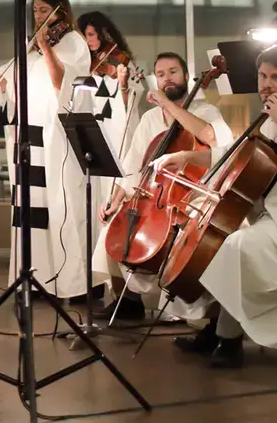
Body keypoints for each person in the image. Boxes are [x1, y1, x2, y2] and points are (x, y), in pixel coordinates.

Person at [158, 44, 277, 368]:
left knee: (234, 247)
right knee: (211, 243)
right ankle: (216, 330)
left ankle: (228, 340)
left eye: (276, 77)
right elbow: (229, 155)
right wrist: (184, 157)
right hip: (266, 220)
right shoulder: (265, 120)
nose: (266, 84)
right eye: (262, 75)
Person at [92, 52, 233, 322]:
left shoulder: (205, 111)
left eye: (172, 72)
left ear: (185, 76)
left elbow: (210, 136)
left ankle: (206, 316)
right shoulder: (150, 120)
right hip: (159, 196)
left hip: (195, 196)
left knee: (190, 239)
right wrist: (115, 199)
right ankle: (129, 302)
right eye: (160, 74)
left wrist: (169, 104)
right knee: (115, 224)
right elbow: (133, 165)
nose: (167, 78)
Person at [1, 0, 91, 300]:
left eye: (44, 9)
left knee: (57, 208)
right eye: (35, 10)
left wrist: (46, 48)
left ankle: (66, 283)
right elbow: (11, 78)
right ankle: (33, 277)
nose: (38, 15)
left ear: (60, 10)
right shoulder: (32, 47)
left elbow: (62, 83)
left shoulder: (73, 41)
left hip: (55, 138)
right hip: (28, 134)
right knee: (30, 209)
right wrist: (3, 83)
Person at [78, 11, 144, 187]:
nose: (87, 40)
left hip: (116, 131)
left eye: (91, 35)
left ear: (103, 34)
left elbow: (133, 99)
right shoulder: (83, 65)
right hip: (93, 133)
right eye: (83, 36)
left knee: (116, 181)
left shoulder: (121, 61)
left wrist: (122, 83)